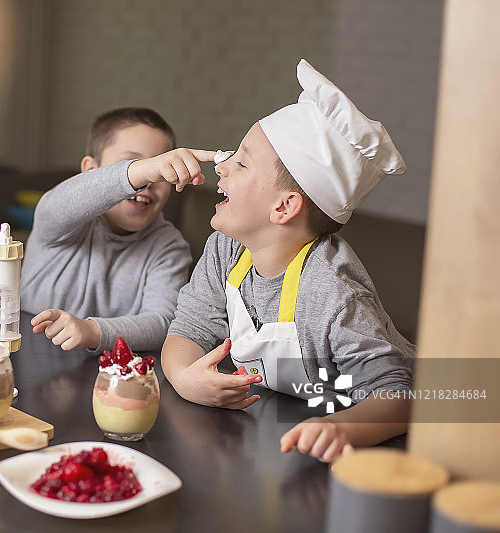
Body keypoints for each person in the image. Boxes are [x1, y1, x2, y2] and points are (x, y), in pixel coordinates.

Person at [161, 59, 415, 463]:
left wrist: (342, 428)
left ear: (283, 207)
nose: (220, 165)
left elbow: (397, 395)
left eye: (241, 162)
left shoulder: (332, 290)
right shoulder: (225, 249)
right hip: (275, 437)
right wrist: (184, 378)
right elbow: (188, 326)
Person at [21, 107, 214, 353]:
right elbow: (55, 205)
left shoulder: (169, 245)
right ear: (91, 170)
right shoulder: (65, 220)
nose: (148, 182)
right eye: (135, 164)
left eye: (159, 170)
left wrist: (92, 331)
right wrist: (142, 171)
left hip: (111, 377)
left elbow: (163, 322)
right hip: (27, 355)